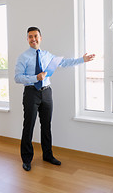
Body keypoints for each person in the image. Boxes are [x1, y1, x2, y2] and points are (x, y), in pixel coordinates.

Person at [15, 26, 95, 171]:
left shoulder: (47, 55)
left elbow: (64, 63)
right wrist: (35, 78)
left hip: (46, 93)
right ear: (27, 39)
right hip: (31, 93)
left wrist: (82, 60)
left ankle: (48, 155)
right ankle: (26, 159)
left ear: (40, 37)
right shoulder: (23, 57)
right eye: (30, 37)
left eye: (36, 36)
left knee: (46, 126)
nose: (33, 39)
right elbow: (17, 78)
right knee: (29, 126)